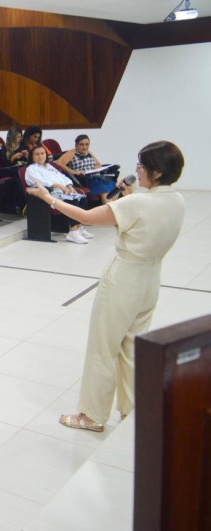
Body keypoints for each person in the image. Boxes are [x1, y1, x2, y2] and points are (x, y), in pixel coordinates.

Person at [27, 141, 185, 432]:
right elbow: (142, 224)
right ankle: (131, 409)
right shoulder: (176, 201)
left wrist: (49, 198)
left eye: (142, 165)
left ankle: (92, 415)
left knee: (103, 347)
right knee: (134, 346)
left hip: (124, 277)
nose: (137, 169)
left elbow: (87, 217)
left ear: (158, 172)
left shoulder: (136, 204)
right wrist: (129, 197)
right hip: (151, 278)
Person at [25, 145, 90, 244]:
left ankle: (79, 227)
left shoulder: (48, 166)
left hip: (62, 191)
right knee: (72, 201)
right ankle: (73, 232)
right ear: (32, 157)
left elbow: (62, 176)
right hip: (48, 194)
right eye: (37, 154)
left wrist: (69, 186)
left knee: (82, 199)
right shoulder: (31, 168)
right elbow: (40, 182)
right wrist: (59, 186)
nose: (40, 156)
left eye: (42, 154)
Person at [57, 135, 118, 204]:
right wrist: (73, 171)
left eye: (87, 144)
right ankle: (109, 208)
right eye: (81, 144)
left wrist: (96, 168)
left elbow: (98, 164)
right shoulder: (72, 153)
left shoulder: (88, 152)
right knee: (105, 191)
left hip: (96, 177)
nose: (84, 147)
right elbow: (59, 163)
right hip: (84, 180)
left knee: (116, 187)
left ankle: (115, 207)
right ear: (76, 145)